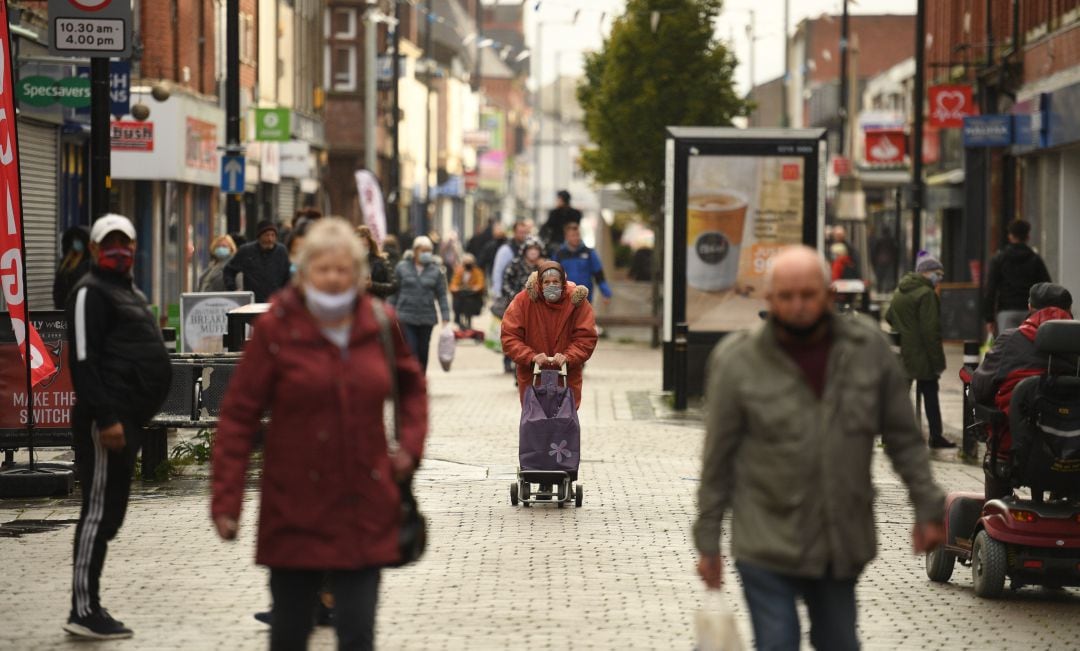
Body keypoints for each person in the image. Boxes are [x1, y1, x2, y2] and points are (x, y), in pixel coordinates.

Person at [694, 246, 945, 651]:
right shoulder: (737, 362)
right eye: (786, 296)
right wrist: (708, 541)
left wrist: (928, 508)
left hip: (838, 536)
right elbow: (717, 459)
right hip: (765, 536)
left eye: (808, 295)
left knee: (839, 642)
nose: (798, 306)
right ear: (768, 300)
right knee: (777, 643)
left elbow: (905, 440)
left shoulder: (868, 351)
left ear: (829, 294)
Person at [212, 218, 427, 651]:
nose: (333, 277)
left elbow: (412, 387)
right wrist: (226, 498)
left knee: (357, 634)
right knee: (290, 633)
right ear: (305, 271)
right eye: (323, 268)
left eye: (343, 268)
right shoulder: (278, 328)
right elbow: (238, 416)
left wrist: (409, 450)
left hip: (362, 503)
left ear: (358, 272)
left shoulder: (379, 324)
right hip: (294, 505)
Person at [63, 214, 172, 640]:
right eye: (109, 243)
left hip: (128, 420)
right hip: (106, 422)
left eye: (124, 242)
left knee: (110, 516)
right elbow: (84, 363)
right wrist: (106, 418)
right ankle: (83, 609)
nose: (119, 250)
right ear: (93, 250)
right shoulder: (89, 293)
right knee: (96, 514)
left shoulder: (125, 290)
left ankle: (90, 605)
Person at [972, 282, 1076, 499]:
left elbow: (981, 389)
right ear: (1069, 311)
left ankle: (994, 509)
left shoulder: (1010, 340)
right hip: (1074, 451)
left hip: (1016, 451)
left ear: (1030, 307)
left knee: (998, 436)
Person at [501, 261, 598, 409]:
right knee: (534, 420)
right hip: (533, 374)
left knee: (565, 421)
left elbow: (586, 337)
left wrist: (568, 356)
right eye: (546, 282)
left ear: (562, 282)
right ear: (539, 283)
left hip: (566, 373)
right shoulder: (523, 301)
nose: (551, 285)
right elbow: (510, 336)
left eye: (555, 281)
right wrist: (530, 356)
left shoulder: (577, 302)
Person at [885, 255, 954, 449]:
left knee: (899, 394)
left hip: (902, 352)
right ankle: (935, 436)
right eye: (937, 274)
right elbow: (930, 330)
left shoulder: (900, 291)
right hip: (922, 353)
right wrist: (938, 362)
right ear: (926, 272)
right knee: (930, 393)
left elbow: (889, 316)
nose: (939, 278)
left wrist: (905, 329)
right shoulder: (926, 294)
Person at [389, 236, 450, 372]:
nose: (426, 253)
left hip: (426, 318)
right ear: (415, 250)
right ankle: (412, 380)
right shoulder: (402, 267)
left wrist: (445, 317)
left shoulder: (436, 270)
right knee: (412, 349)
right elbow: (394, 292)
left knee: (423, 352)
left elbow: (441, 295)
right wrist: (388, 313)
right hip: (406, 316)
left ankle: (421, 378)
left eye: (429, 250)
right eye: (424, 250)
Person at [984, 219, 1052, 334]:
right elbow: (1046, 287)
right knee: (1029, 348)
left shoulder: (1000, 258)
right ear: (1027, 237)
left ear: (1010, 236)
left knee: (1008, 347)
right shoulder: (1035, 259)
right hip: (1030, 312)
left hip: (1006, 311)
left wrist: (989, 318)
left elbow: (990, 289)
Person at [224, 220, 291, 302]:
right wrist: (233, 289)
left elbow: (288, 277)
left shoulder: (282, 251)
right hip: (252, 302)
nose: (270, 239)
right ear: (259, 236)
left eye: (273, 235)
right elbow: (229, 270)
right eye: (267, 235)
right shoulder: (246, 251)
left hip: (275, 302)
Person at [554, 222, 612, 304]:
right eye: (573, 235)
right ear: (566, 237)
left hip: (585, 298)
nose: (576, 238)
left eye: (577, 235)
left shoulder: (589, 253)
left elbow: (599, 275)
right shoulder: (559, 254)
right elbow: (554, 276)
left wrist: (606, 293)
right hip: (565, 298)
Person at [356, 225, 399, 300]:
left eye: (364, 246)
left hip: (375, 305)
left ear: (370, 245)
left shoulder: (381, 261)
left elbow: (393, 286)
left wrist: (372, 285)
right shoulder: (349, 262)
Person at [53, 225, 91, 309]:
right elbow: (58, 287)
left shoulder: (88, 265)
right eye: (74, 240)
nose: (76, 243)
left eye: (78, 240)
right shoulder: (66, 263)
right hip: (63, 308)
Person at [491, 220, 530, 300]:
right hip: (509, 294)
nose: (523, 235)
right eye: (521, 232)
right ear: (514, 232)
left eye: (525, 232)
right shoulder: (506, 250)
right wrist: (497, 293)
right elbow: (498, 271)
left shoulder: (530, 248)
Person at [449, 253, 486, 330]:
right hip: (461, 294)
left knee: (469, 302)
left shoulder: (477, 272)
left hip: (473, 296)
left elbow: (480, 284)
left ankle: (468, 321)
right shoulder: (459, 271)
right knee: (457, 300)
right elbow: (453, 284)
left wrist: (472, 288)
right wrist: (459, 288)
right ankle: (458, 320)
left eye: (470, 262)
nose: (468, 264)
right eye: (466, 262)